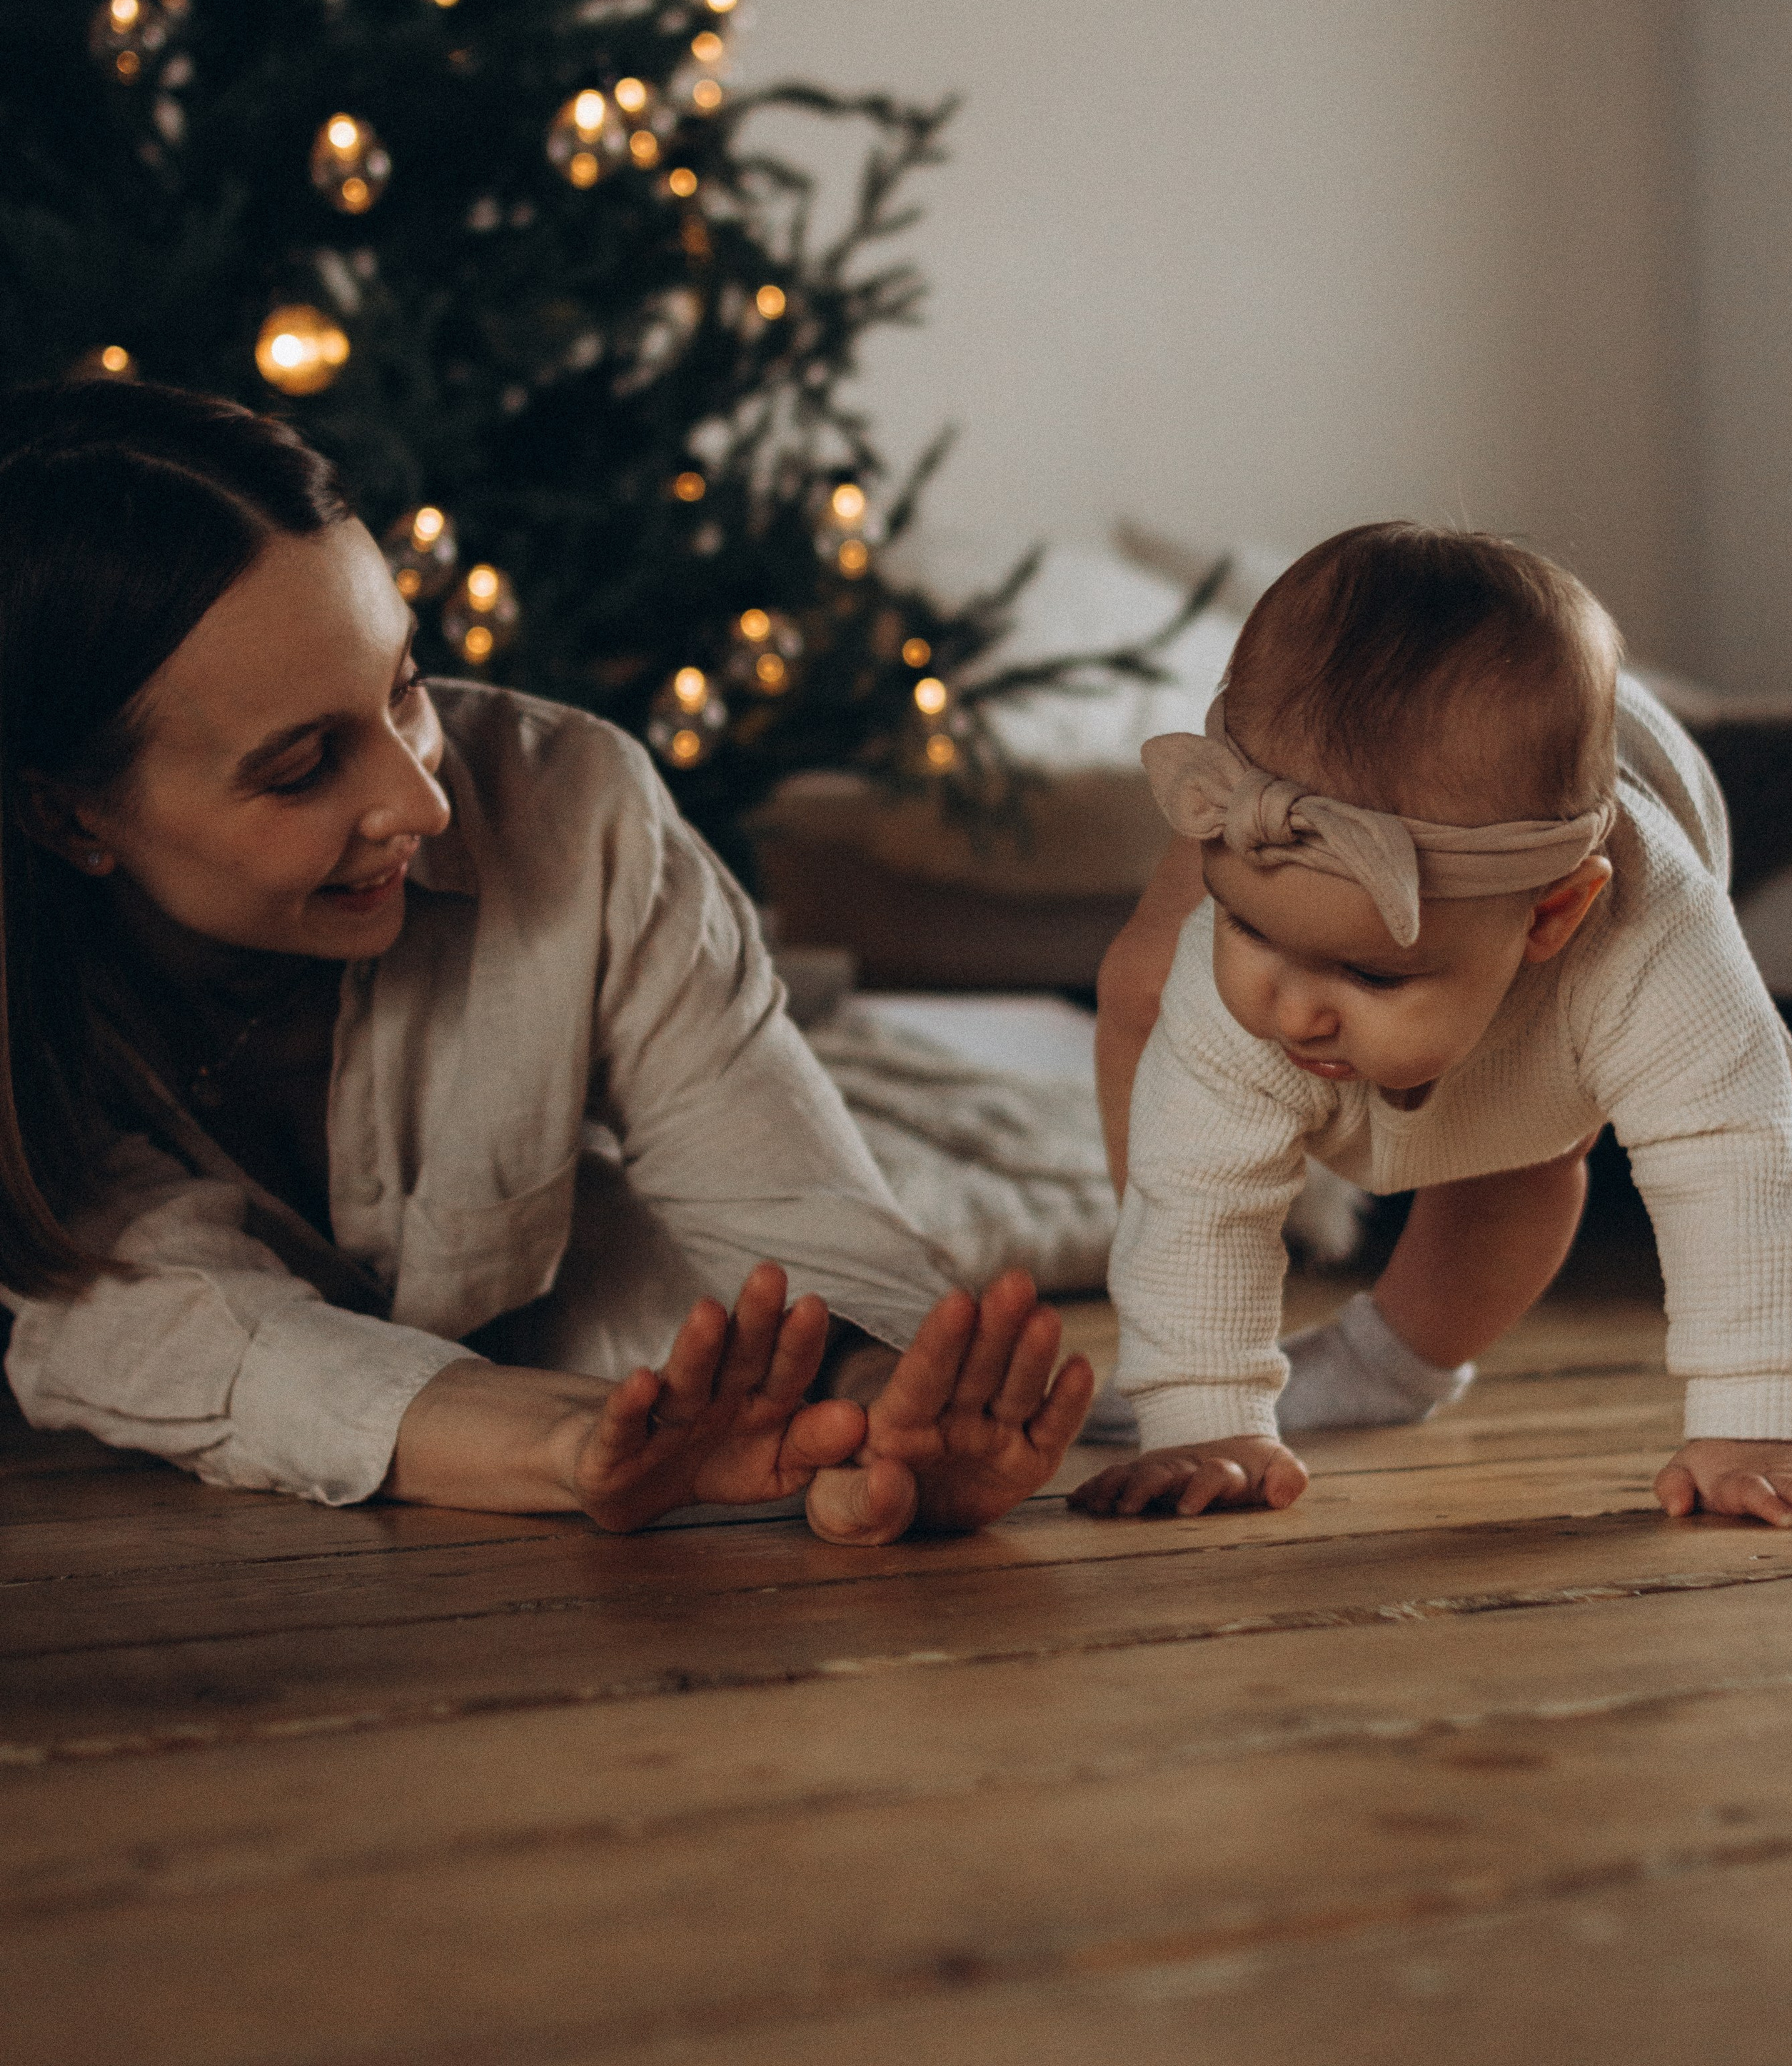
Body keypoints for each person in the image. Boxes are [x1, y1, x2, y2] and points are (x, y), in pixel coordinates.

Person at [0, 381, 1092, 1544]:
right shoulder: (38, 1020)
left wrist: (885, 1404)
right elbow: (160, 1326)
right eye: (303, 766)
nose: (420, 802)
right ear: (72, 820)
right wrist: (568, 1446)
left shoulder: (569, 802)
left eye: (404, 687)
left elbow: (794, 1200)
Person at [1074, 522, 1792, 1533]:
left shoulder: (1656, 948)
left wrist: (1761, 1418)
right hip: (1325, 830)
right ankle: (1182, 1357)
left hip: (1598, 868)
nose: (1292, 1006)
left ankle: (1396, 1363)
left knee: (1517, 1147)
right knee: (1158, 1001)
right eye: (1250, 927)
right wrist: (1201, 1410)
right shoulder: (1251, 923)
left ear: (1552, 916)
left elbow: (1751, 1160)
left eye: (1373, 973)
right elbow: (1196, 1186)